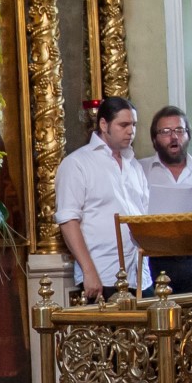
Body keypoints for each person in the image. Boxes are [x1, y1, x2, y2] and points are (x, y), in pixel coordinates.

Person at [55, 96, 152, 301]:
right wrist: (88, 270)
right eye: (123, 125)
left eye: (134, 125)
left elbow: (142, 215)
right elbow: (68, 220)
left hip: (139, 276)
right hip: (103, 274)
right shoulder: (77, 163)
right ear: (103, 124)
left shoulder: (134, 166)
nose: (131, 131)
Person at [139, 106, 192, 292]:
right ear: (154, 139)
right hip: (154, 259)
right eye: (165, 131)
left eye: (179, 130)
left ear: (188, 135)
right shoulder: (140, 171)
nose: (173, 137)